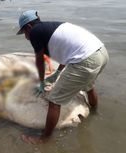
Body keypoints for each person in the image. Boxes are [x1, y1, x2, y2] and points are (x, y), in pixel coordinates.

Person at [17, 10, 109, 144]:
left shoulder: (35, 32)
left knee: (54, 101)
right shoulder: (53, 27)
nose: (26, 36)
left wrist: (42, 82)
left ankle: (44, 139)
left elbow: (39, 60)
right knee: (89, 86)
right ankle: (95, 113)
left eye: (24, 32)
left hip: (85, 59)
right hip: (101, 53)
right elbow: (69, 52)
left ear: (29, 27)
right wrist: (57, 73)